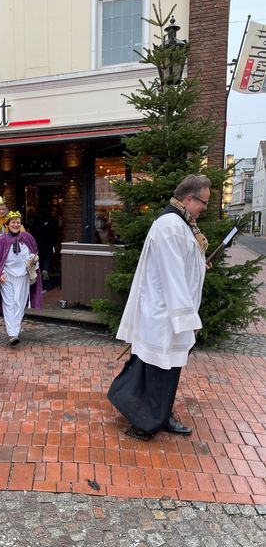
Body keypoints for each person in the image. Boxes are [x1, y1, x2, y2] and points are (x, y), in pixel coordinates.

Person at [108, 174, 211, 441]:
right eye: (204, 202)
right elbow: (172, 276)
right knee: (158, 371)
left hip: (168, 315)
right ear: (189, 199)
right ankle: (146, 421)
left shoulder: (181, 224)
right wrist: (189, 319)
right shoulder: (171, 225)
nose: (204, 208)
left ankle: (160, 415)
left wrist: (199, 265)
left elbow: (182, 263)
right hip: (164, 314)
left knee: (166, 370)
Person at [0, 210, 43, 346]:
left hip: (23, 276)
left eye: (18, 222)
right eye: (13, 222)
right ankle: (13, 333)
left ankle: (15, 328)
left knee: (20, 303)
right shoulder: (1, 240)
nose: (16, 224)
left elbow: (34, 254)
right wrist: (0, 273)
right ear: (7, 224)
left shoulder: (28, 238)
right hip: (7, 277)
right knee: (9, 303)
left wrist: (33, 261)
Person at [30, 204, 58, 282]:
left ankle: (37, 272)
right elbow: (55, 231)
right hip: (48, 241)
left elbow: (32, 230)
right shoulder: (51, 219)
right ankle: (45, 269)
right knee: (47, 257)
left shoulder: (36, 219)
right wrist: (54, 242)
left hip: (38, 241)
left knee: (37, 257)